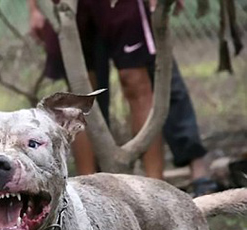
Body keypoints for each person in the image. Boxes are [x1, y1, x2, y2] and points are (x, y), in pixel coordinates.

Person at [28, 0, 219, 195]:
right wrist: (35, 7)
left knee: (135, 80)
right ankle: (86, 191)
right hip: (68, 5)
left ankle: (155, 189)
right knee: (80, 94)